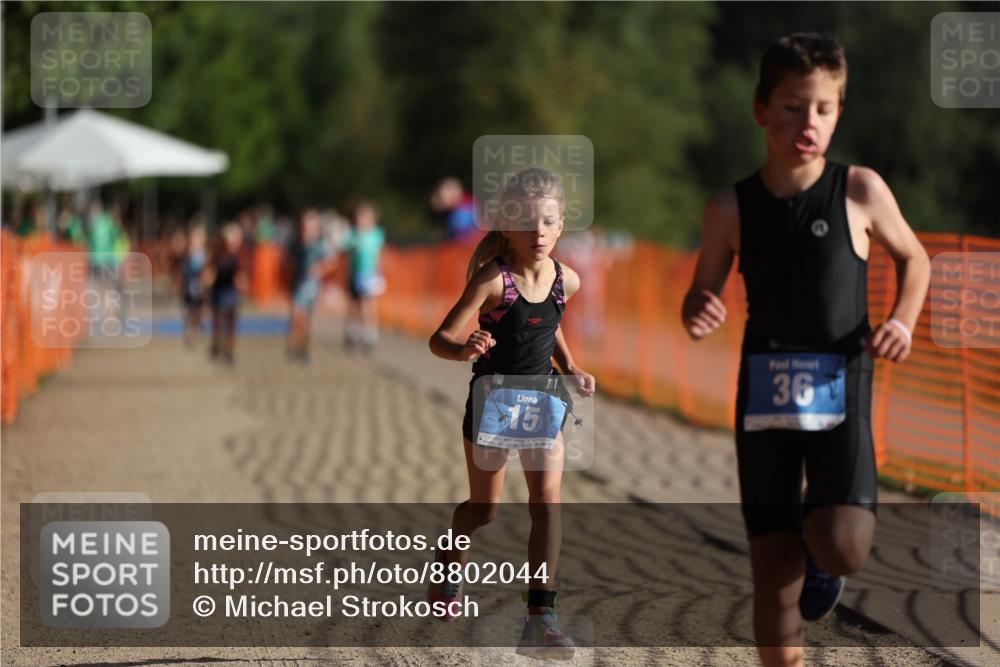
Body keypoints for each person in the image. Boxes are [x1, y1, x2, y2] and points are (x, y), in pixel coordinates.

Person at [681, 33, 930, 667]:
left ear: (839, 112)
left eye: (822, 108)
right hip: (763, 394)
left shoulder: (860, 191)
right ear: (761, 108)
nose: (808, 123)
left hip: (841, 387)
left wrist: (901, 320)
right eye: (792, 106)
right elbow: (700, 290)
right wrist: (699, 308)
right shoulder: (729, 207)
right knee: (771, 562)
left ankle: (827, 568)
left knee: (839, 544)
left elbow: (915, 259)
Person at [428, 166, 596, 659]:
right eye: (526, 222)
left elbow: (551, 323)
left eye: (547, 221)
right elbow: (440, 339)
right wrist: (465, 350)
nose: (538, 231)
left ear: (562, 224)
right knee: (485, 510)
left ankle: (540, 619)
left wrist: (570, 367)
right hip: (494, 403)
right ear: (506, 227)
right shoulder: (493, 282)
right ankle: (451, 557)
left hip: (543, 399)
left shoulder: (569, 279)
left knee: (547, 504)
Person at [286, 208, 335, 362]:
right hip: (297, 284)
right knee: (296, 316)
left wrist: (319, 269)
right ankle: (294, 346)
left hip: (312, 287)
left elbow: (331, 261)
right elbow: (288, 263)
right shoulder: (296, 243)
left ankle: (303, 348)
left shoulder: (321, 244)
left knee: (306, 318)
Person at [341, 199, 385, 352]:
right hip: (354, 274)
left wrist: (379, 272)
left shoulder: (376, 234)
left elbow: (379, 255)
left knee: (368, 304)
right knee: (354, 304)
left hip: (369, 274)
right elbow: (345, 249)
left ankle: (369, 333)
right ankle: (352, 331)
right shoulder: (352, 234)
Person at [205, 223, 247, 365]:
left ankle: (229, 351)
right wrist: (208, 279)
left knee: (230, 323)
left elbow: (241, 274)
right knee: (217, 322)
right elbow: (210, 272)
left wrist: (241, 283)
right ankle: (216, 345)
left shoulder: (239, 256)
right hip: (219, 292)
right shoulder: (218, 255)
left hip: (231, 293)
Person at [180, 224, 208, 348]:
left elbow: (206, 271)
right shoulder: (187, 254)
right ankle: (189, 332)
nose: (195, 242)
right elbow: (183, 271)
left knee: (198, 310)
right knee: (189, 310)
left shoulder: (204, 255)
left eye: (198, 239)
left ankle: (197, 328)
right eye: (193, 239)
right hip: (189, 287)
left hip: (199, 287)